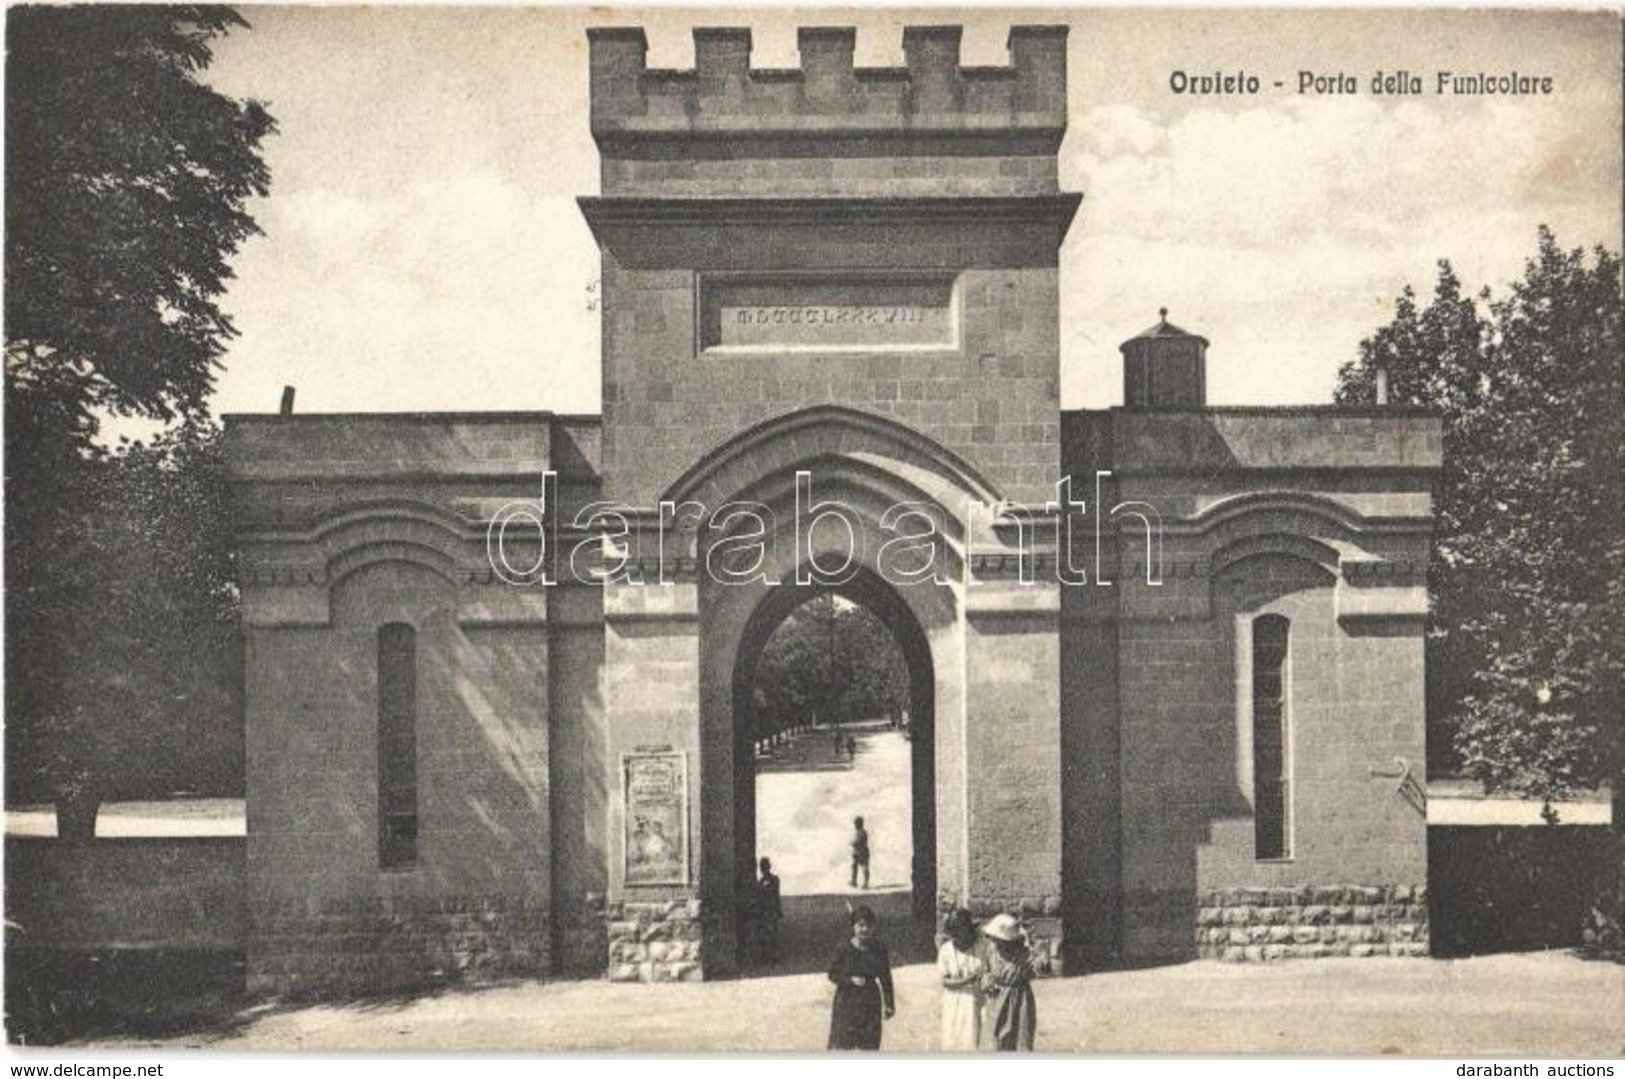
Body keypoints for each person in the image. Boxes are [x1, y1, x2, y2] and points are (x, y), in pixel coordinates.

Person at [826, 905, 895, 1050]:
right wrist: (849, 981)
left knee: (869, 1046)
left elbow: (885, 978)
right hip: (846, 1003)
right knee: (842, 1047)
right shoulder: (844, 948)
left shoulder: (879, 950)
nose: (865, 930)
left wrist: (889, 1004)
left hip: (870, 1003)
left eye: (868, 925)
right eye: (861, 925)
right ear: (853, 927)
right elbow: (832, 973)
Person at [980, 913, 1037, 1051]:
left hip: (1020, 998)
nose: (995, 941)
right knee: (997, 1036)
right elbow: (986, 971)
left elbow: (1035, 972)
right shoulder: (992, 951)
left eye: (999, 939)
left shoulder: (1024, 953)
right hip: (997, 997)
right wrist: (987, 981)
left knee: (1020, 1037)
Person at [937, 907, 987, 1051]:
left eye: (962, 930)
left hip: (977, 1002)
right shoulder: (946, 950)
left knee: (974, 1040)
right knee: (953, 1041)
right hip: (953, 1002)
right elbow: (945, 981)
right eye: (955, 931)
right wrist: (967, 980)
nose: (959, 935)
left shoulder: (982, 947)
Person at [754, 856, 782, 964]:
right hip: (767, 911)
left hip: (769, 911)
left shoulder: (767, 881)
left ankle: (771, 957)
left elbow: (775, 895)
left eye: (764, 866)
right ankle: (769, 956)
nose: (763, 869)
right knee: (768, 934)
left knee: (770, 934)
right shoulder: (765, 881)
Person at [849, 816, 870, 889]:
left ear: (859, 824)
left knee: (864, 867)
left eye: (855, 823)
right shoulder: (859, 832)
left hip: (862, 852)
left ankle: (866, 883)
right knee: (854, 866)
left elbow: (859, 842)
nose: (854, 825)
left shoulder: (862, 832)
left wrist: (853, 843)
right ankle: (854, 881)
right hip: (858, 852)